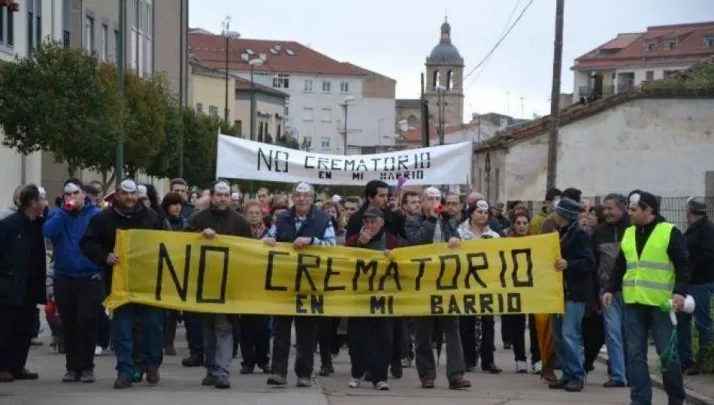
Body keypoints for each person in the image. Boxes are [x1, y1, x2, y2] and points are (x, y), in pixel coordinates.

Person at [603, 191, 688, 405]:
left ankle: (676, 399)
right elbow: (621, 265)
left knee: (667, 354)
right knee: (635, 356)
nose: (629, 213)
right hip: (634, 303)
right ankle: (640, 400)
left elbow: (684, 265)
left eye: (633, 209)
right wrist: (610, 289)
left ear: (648, 210)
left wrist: (679, 292)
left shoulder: (669, 232)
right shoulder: (629, 232)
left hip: (661, 305)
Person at [80, 179, 165, 389]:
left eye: (132, 193)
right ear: (117, 195)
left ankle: (152, 365)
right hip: (119, 284)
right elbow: (86, 243)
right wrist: (105, 256)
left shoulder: (152, 217)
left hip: (147, 283)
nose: (129, 197)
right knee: (122, 329)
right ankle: (124, 372)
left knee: (152, 327)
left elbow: (169, 242)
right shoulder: (103, 219)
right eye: (125, 193)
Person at [262, 182, 336, 388]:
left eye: (306, 195)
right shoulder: (282, 218)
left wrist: (312, 241)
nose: (302, 199)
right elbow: (268, 237)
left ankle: (304, 373)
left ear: (312, 199)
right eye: (298, 195)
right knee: (281, 330)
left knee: (306, 332)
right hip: (284, 282)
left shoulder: (324, 220)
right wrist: (269, 240)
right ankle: (278, 372)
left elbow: (332, 246)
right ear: (292, 198)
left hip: (309, 283)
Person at [186, 180, 252, 389]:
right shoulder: (199, 218)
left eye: (226, 195)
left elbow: (249, 250)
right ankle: (211, 369)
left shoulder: (240, 222)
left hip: (229, 282)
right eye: (219, 195)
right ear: (212, 196)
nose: (223, 199)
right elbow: (182, 242)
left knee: (224, 327)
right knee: (208, 328)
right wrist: (199, 235)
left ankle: (222, 372)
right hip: (204, 280)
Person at [405, 186, 471, 390]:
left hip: (446, 283)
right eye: (430, 199)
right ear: (423, 202)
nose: (435, 203)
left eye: (437, 199)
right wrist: (432, 220)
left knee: (452, 328)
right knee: (423, 331)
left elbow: (458, 244)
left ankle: (456, 375)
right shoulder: (414, 221)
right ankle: (427, 374)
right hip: (424, 283)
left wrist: (455, 240)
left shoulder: (448, 222)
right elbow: (418, 241)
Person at [42, 179, 103, 383]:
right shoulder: (57, 215)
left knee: (86, 321)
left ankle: (87, 366)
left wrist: (101, 271)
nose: (72, 197)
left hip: (89, 276)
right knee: (68, 324)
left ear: (84, 194)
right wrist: (64, 212)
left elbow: (106, 242)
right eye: (68, 194)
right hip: (64, 276)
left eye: (75, 193)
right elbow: (48, 232)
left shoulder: (95, 215)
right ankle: (72, 367)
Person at [344, 207, 403, 390]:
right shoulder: (355, 239)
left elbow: (404, 261)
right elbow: (343, 258)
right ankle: (357, 373)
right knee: (357, 339)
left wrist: (393, 257)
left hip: (383, 299)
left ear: (381, 223)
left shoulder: (392, 241)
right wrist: (359, 244)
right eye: (366, 222)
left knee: (384, 339)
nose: (369, 225)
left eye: (373, 221)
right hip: (360, 297)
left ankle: (380, 378)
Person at [548, 197, 595, 393]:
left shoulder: (579, 236)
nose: (554, 215)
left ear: (563, 216)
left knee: (570, 334)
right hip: (559, 293)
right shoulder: (561, 233)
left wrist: (569, 264)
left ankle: (577, 375)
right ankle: (567, 374)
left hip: (574, 293)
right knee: (559, 336)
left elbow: (589, 262)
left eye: (557, 212)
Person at [0, 184, 46, 383]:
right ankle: (3, 367)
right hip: (9, 284)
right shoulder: (9, 224)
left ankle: (18, 366)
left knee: (25, 328)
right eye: (41, 199)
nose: (44, 203)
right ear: (32, 202)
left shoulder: (38, 225)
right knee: (6, 327)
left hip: (31, 285)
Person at [457, 199, 502, 374]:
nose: (482, 215)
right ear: (471, 213)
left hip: (487, 284)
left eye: (485, 212)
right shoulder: (459, 233)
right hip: (465, 283)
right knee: (466, 322)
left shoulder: (494, 236)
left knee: (488, 322)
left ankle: (488, 360)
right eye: (479, 212)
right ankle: (467, 359)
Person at [590, 193, 630, 387]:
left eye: (610, 208)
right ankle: (618, 375)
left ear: (622, 208)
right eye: (604, 208)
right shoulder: (599, 232)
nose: (606, 212)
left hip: (631, 290)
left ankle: (631, 372)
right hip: (607, 291)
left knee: (629, 334)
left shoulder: (633, 230)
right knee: (613, 333)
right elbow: (594, 263)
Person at [677, 197, 714, 375]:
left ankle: (703, 360)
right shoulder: (694, 229)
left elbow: (707, 256)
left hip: (700, 282)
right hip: (689, 283)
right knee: (683, 322)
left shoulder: (706, 230)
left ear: (689, 211)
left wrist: (689, 268)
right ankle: (685, 360)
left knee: (702, 322)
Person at [502, 211, 541, 374]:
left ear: (529, 225)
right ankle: (520, 359)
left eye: (525, 223)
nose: (522, 226)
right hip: (515, 288)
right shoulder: (506, 242)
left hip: (533, 288)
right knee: (516, 325)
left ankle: (537, 359)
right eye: (518, 223)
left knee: (535, 325)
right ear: (513, 225)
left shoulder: (538, 242)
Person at [238, 200, 271, 375]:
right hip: (244, 283)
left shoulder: (269, 233)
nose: (254, 216)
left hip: (264, 284)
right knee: (246, 327)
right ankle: (247, 362)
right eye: (250, 213)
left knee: (264, 327)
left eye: (257, 213)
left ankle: (263, 359)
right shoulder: (240, 233)